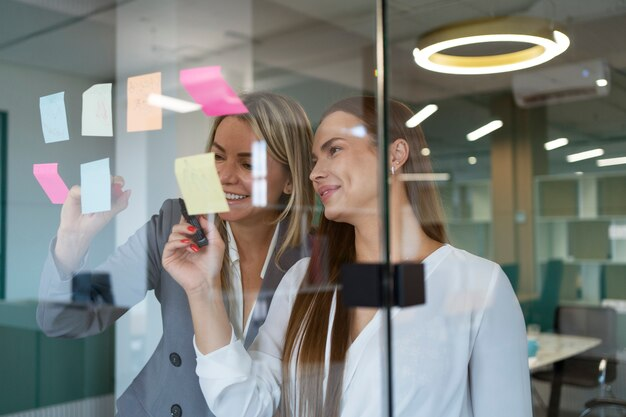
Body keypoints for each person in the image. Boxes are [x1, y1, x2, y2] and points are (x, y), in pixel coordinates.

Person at [166, 97, 532, 417]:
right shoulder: (304, 282)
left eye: (334, 150)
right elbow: (243, 405)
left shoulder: (477, 285)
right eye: (313, 158)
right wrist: (201, 289)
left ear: (394, 154)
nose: (314, 172)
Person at [37, 92, 315, 417]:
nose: (225, 175)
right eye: (217, 157)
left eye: (248, 163)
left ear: (291, 181)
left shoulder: (313, 259)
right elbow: (63, 321)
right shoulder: (174, 226)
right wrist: (73, 238)